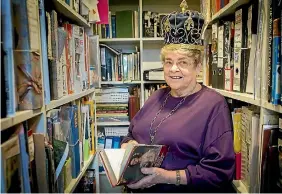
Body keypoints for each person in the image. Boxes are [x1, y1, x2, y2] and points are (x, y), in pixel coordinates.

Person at [120, 0, 235, 193]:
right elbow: (130, 134)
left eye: (183, 62)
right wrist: (129, 145)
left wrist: (165, 177)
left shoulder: (214, 105)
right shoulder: (156, 96)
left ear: (198, 66)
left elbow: (219, 173)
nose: (173, 69)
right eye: (168, 62)